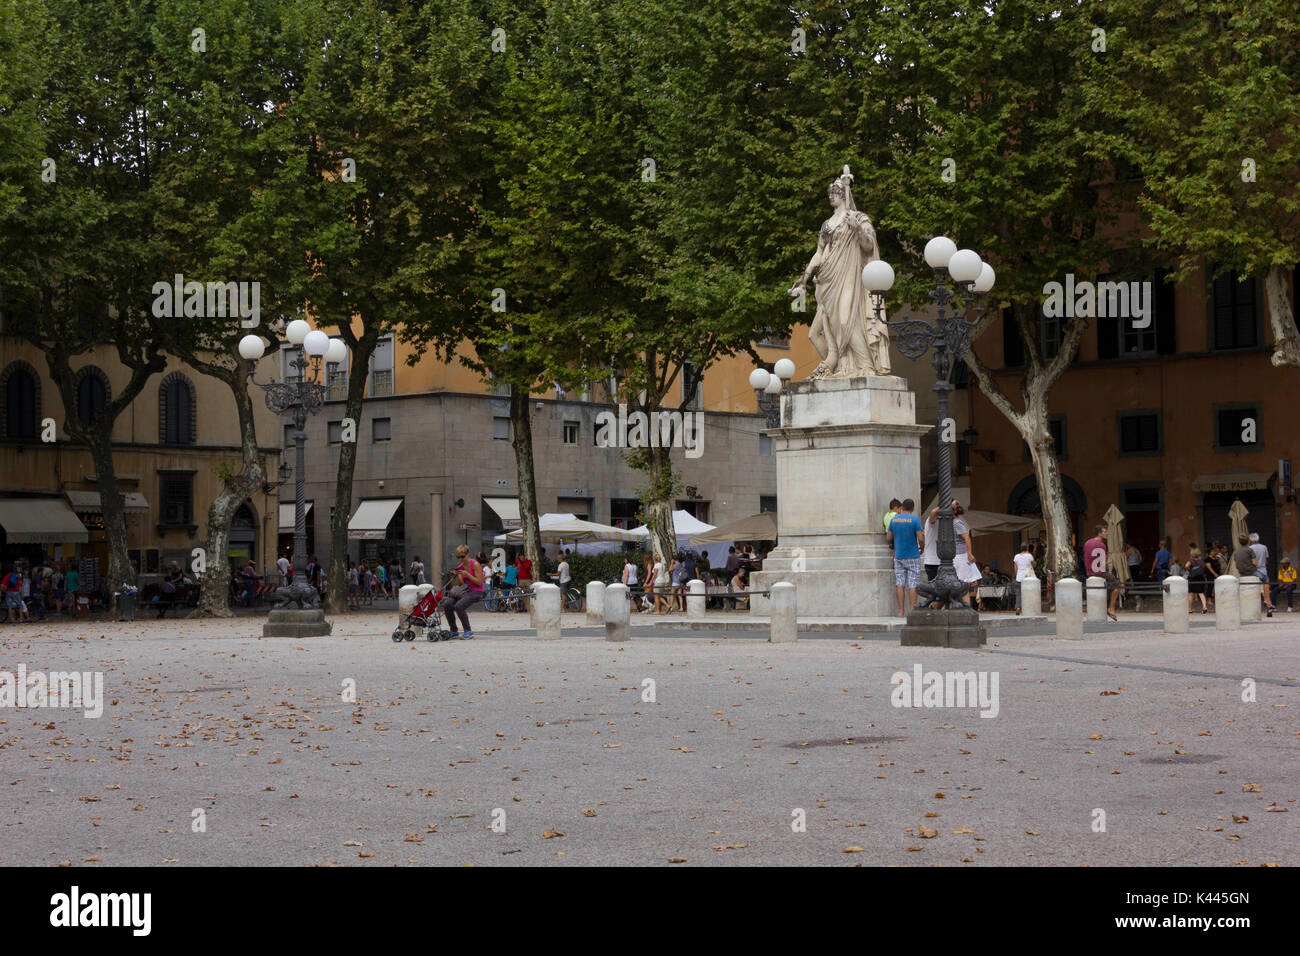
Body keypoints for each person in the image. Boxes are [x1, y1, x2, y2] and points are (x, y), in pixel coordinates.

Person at [886, 498, 924, 617]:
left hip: (899, 555)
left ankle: (901, 611)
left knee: (900, 583)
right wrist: (922, 547)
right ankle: (912, 610)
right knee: (913, 584)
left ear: (902, 507)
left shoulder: (894, 520)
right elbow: (921, 538)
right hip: (913, 555)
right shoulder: (915, 520)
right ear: (912, 509)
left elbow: (888, 538)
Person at [440, 544, 485, 638]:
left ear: (468, 555)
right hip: (465, 591)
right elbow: (460, 584)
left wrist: (467, 574)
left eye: (462, 557)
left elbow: (479, 582)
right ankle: (453, 630)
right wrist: (459, 576)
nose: (460, 559)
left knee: (459, 606)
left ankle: (468, 631)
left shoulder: (475, 564)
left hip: (476, 591)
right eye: (458, 557)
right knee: (447, 604)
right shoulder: (461, 566)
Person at [1083, 526, 1120, 622]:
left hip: (1089, 572)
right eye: (1105, 532)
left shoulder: (1087, 543)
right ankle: (1111, 608)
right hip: (1099, 572)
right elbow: (1103, 565)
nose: (1107, 533)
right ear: (1099, 533)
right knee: (1117, 586)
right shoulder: (1102, 545)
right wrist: (1107, 566)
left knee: (1108, 586)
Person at [950, 503, 982, 606]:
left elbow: (966, 537)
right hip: (957, 556)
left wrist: (969, 553)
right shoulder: (952, 523)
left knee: (962, 585)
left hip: (961, 556)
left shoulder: (957, 523)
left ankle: (966, 608)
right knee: (959, 584)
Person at [1249, 533, 1274, 612]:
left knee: (1255, 588)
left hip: (1254, 571)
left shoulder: (1250, 548)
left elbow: (1250, 561)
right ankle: (1268, 604)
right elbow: (1267, 560)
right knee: (1265, 587)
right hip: (1263, 570)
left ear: (1250, 540)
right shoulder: (1264, 547)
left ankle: (1257, 607)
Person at [1186, 544, 1212, 614]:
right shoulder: (1201, 561)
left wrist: (1189, 570)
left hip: (1192, 578)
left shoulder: (1191, 561)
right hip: (1200, 578)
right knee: (1201, 593)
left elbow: (1186, 566)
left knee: (1191, 593)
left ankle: (1190, 609)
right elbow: (1204, 568)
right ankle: (1204, 606)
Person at [1012, 542, 1035, 614]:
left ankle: (1018, 608)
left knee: (1018, 594)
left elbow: (1015, 568)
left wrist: (1017, 576)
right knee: (1029, 593)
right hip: (1028, 578)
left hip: (1019, 578)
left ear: (1021, 548)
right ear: (1027, 548)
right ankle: (1029, 608)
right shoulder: (1029, 556)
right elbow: (1034, 565)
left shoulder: (1016, 556)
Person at [922, 506, 941, 581]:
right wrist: (946, 505)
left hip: (942, 561)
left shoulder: (945, 521)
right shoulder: (932, 520)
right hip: (932, 562)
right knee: (935, 588)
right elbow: (933, 512)